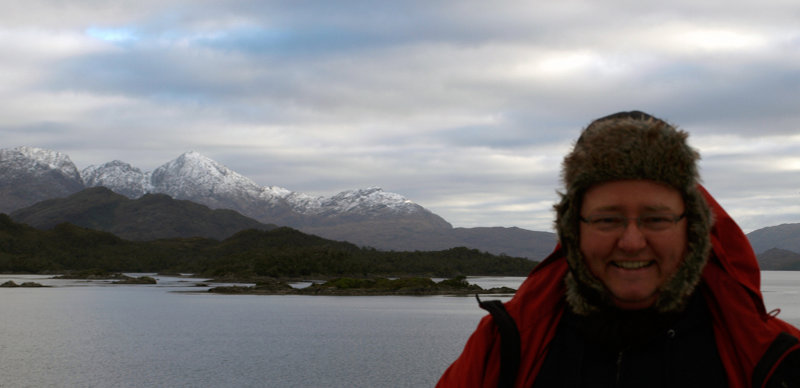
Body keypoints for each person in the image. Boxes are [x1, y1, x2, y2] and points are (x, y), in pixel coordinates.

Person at [437, 111, 800, 387]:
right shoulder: (503, 348)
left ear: (692, 229)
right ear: (572, 230)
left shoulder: (779, 359)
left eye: (656, 219)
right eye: (607, 219)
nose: (631, 242)